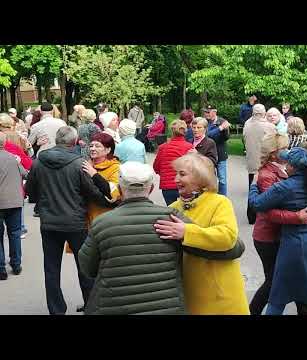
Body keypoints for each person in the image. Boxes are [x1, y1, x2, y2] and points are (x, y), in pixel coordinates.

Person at [78, 161, 189, 315]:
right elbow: (219, 248)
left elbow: (87, 267)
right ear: (151, 189)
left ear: (120, 189)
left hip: (112, 306)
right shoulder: (173, 219)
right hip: (167, 306)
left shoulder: (102, 222)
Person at [25, 126, 111, 315]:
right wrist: (108, 201)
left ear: (57, 140)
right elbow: (92, 192)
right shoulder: (78, 163)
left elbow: (30, 192)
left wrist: (43, 199)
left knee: (51, 268)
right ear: (74, 142)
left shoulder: (39, 162)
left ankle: (56, 309)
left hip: (49, 222)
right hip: (76, 222)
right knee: (85, 265)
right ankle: (90, 304)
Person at [153, 153, 250, 314]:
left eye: (182, 174)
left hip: (219, 292)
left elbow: (227, 237)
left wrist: (187, 232)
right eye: (176, 173)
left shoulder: (219, 202)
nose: (176, 179)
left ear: (200, 177)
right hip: (190, 290)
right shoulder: (174, 207)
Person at [249, 147, 307, 315]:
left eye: (287, 163)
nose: (284, 165)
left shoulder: (284, 187)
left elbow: (256, 204)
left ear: (291, 167)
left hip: (293, 246)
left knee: (279, 295)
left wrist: (254, 186)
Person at [0, 132, 28, 280]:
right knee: (15, 233)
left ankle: (1, 269)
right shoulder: (12, 158)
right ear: (4, 143)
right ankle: (16, 264)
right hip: (14, 202)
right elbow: (25, 173)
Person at [243, 104, 277, 224]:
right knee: (265, 190)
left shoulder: (247, 125)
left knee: (252, 188)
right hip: (264, 162)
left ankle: (251, 216)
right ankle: (262, 215)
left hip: (251, 163)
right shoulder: (270, 127)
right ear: (264, 113)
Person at [82, 132, 121, 225]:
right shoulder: (86, 164)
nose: (93, 149)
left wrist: (94, 175)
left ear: (108, 150)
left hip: (104, 219)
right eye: (91, 146)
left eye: (97, 146)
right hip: (84, 218)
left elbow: (113, 194)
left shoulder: (115, 167)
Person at [153, 120, 194, 205]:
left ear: (172, 131)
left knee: (171, 211)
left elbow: (156, 167)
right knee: (186, 211)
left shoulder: (162, 147)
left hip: (167, 187)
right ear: (185, 131)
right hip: (184, 185)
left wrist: (165, 174)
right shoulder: (189, 147)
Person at [204, 105, 230, 196]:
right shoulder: (204, 122)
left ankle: (223, 199)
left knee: (222, 179)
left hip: (220, 154)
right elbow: (206, 136)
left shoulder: (222, 121)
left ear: (214, 112)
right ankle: (212, 198)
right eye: (205, 112)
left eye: (208, 112)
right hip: (209, 155)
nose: (205, 114)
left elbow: (226, 137)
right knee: (209, 178)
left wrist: (224, 129)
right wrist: (219, 128)